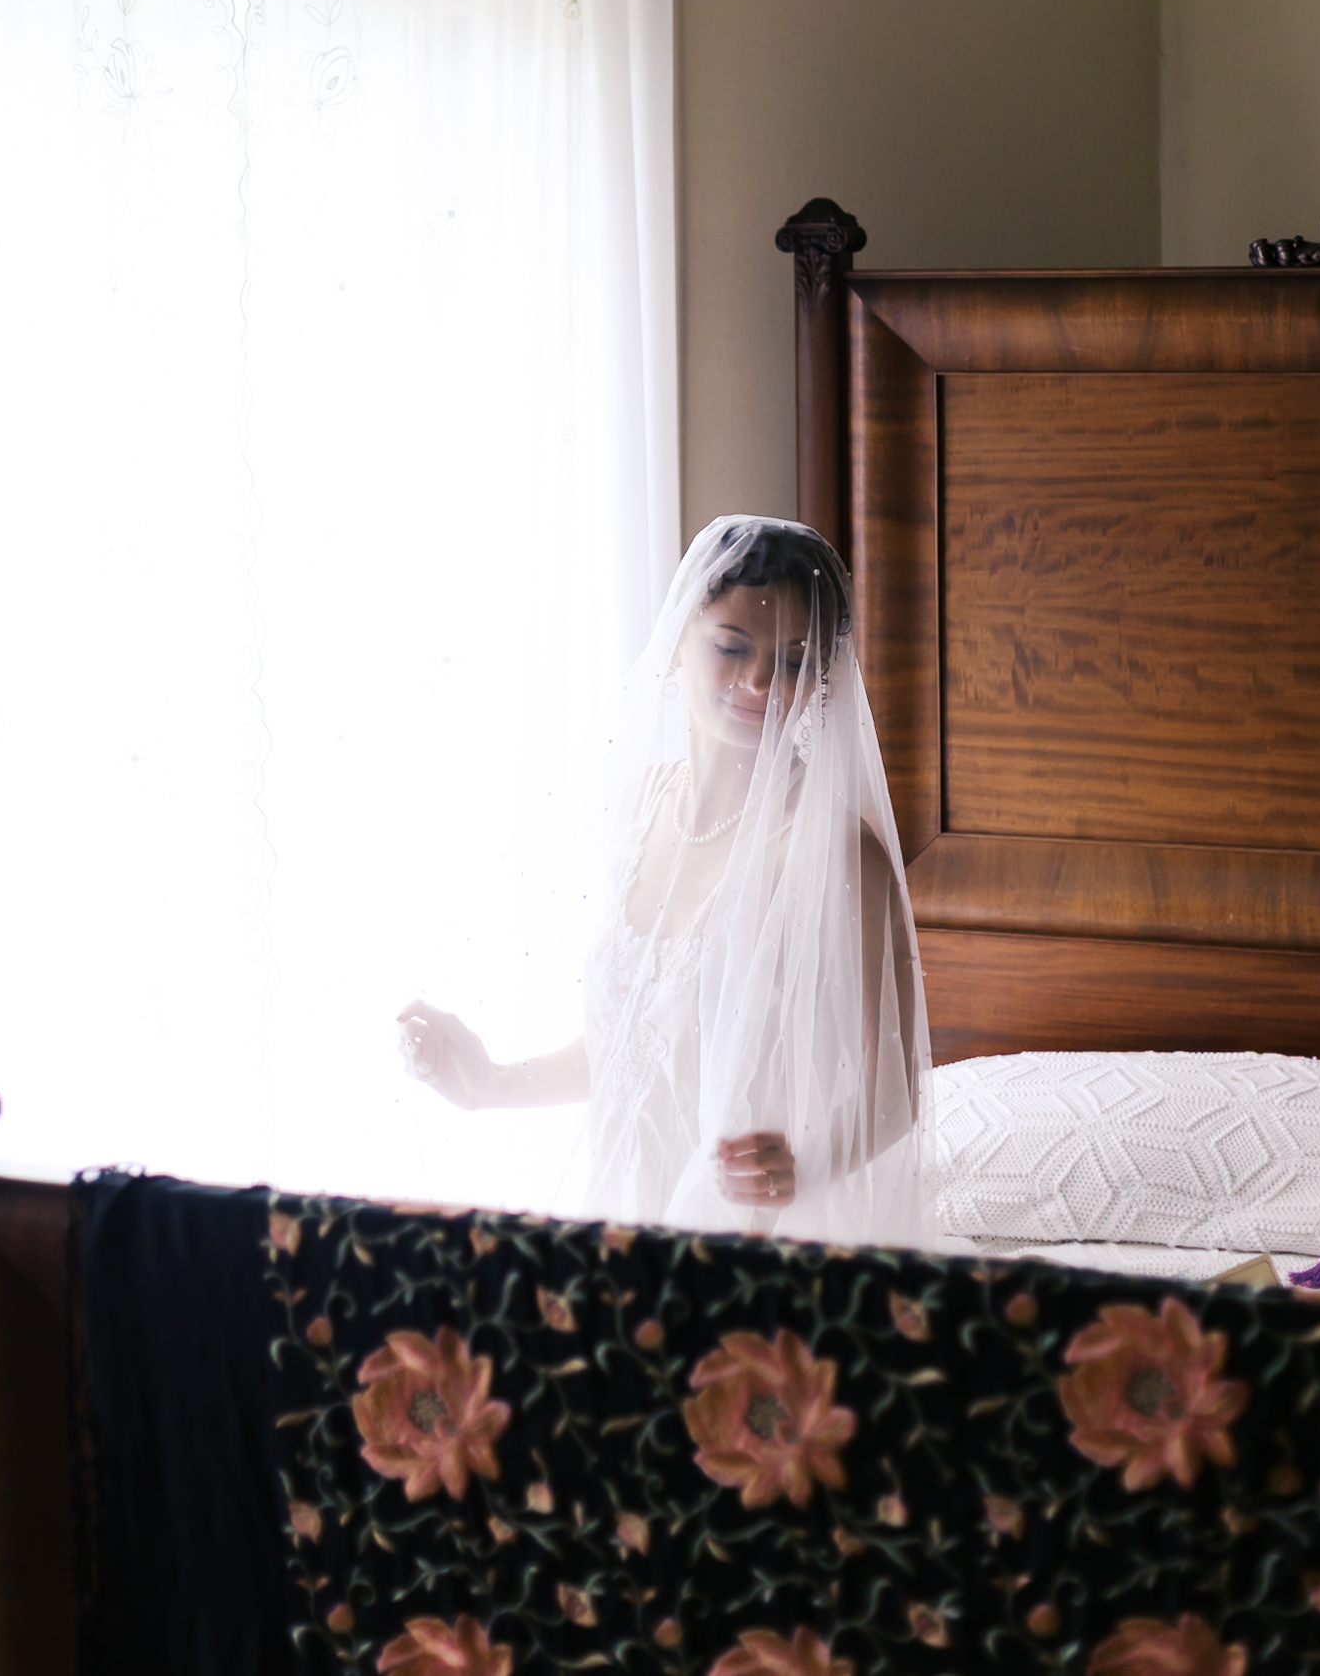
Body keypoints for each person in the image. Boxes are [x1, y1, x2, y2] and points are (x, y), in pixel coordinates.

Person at [397, 516, 933, 1243]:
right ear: (679, 637)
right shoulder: (643, 806)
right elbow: (637, 1052)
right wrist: (488, 1084)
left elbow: (896, 1086)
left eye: (794, 661)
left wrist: (804, 1166)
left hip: (748, 1240)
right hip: (620, 1216)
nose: (760, 683)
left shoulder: (833, 851)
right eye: (732, 647)